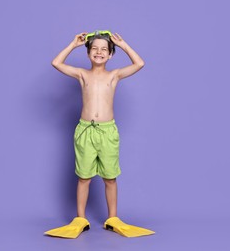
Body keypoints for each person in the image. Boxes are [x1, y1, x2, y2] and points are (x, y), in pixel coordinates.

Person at [44, 30, 154, 238]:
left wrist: (123, 44)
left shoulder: (114, 75)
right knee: (84, 177)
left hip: (107, 131)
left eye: (104, 49)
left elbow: (139, 63)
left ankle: (112, 219)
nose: (99, 52)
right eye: (94, 48)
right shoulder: (82, 74)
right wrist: (73, 44)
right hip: (85, 130)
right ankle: (80, 219)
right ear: (88, 54)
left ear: (110, 55)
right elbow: (56, 63)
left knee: (110, 178)